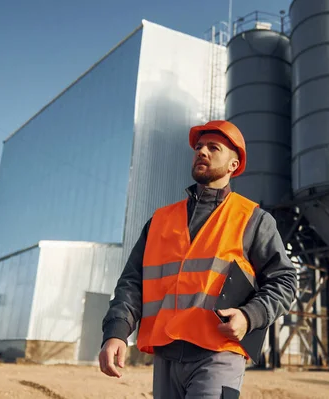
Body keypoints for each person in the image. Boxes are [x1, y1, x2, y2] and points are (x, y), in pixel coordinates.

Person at [99, 120, 297, 398]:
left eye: (213, 148)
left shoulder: (252, 219)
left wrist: (249, 316)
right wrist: (116, 332)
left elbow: (285, 281)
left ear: (233, 164)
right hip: (166, 356)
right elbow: (132, 283)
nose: (202, 152)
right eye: (199, 147)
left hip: (219, 352)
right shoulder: (160, 220)